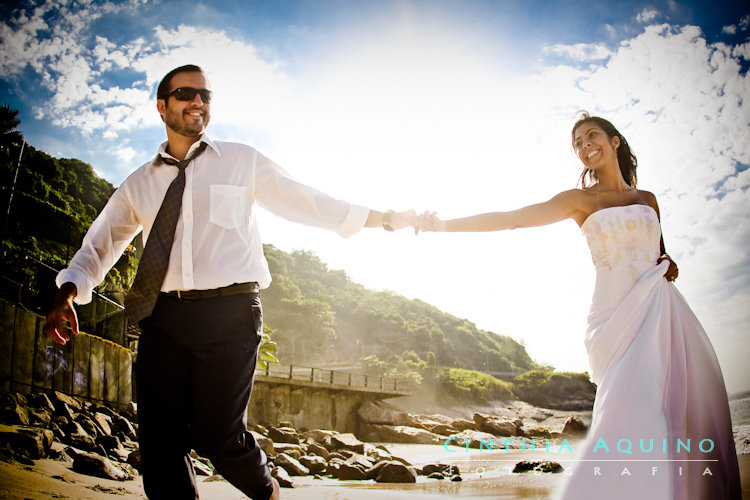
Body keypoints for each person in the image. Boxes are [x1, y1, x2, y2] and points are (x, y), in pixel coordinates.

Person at [43, 64, 417, 500]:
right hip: (161, 319)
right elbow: (100, 245)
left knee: (219, 434)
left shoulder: (241, 161)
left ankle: (267, 492)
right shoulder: (139, 184)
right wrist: (67, 292)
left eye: (206, 95)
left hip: (230, 315)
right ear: (162, 106)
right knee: (160, 442)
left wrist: (385, 218)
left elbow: (308, 201)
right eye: (186, 93)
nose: (198, 102)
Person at [419, 113, 741, 499]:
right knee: (629, 412)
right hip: (614, 317)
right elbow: (513, 220)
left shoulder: (648, 200)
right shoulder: (578, 201)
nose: (585, 144)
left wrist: (670, 263)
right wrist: (442, 225)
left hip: (664, 313)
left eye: (592, 135)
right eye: (578, 142)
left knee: (683, 413)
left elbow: (658, 255)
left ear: (615, 141)